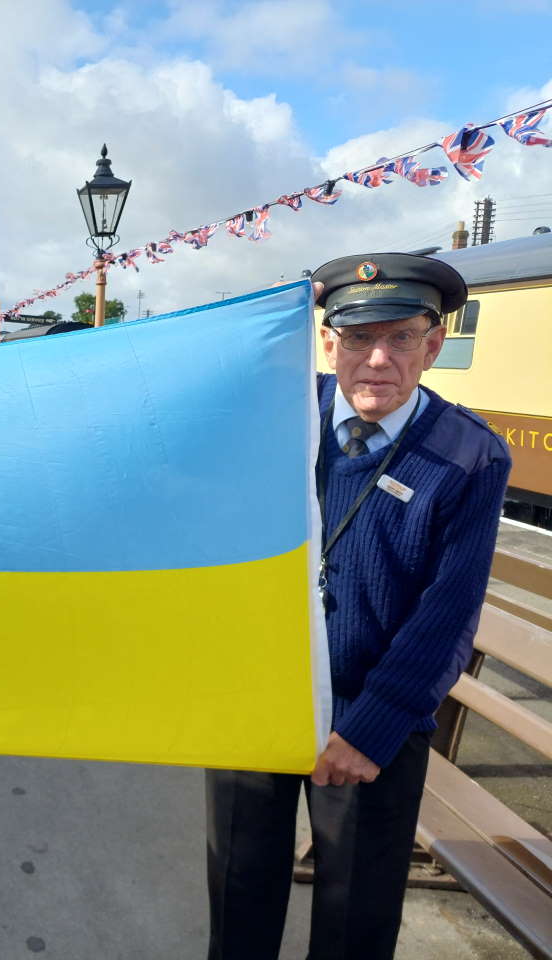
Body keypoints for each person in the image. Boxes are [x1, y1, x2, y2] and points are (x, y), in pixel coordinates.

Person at [204, 253, 511, 959]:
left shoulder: (470, 457)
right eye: (356, 337)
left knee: (353, 920)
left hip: (373, 717)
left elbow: (448, 613)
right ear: (326, 341)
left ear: (434, 345)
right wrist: (270, 315)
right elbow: (186, 391)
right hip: (259, 696)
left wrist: (370, 729)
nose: (377, 359)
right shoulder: (276, 415)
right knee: (239, 892)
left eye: (401, 337)